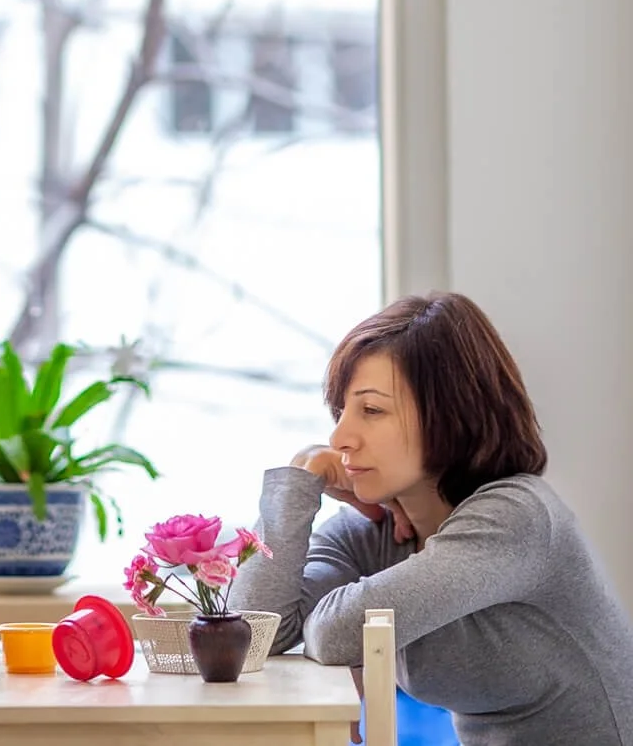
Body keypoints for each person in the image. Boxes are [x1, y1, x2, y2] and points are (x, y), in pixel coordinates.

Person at [229, 292, 633, 745]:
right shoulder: (378, 531)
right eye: (341, 411)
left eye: (372, 410)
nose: (340, 437)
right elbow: (252, 632)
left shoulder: (516, 518)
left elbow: (335, 631)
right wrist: (297, 482)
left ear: (451, 415)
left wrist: (341, 636)